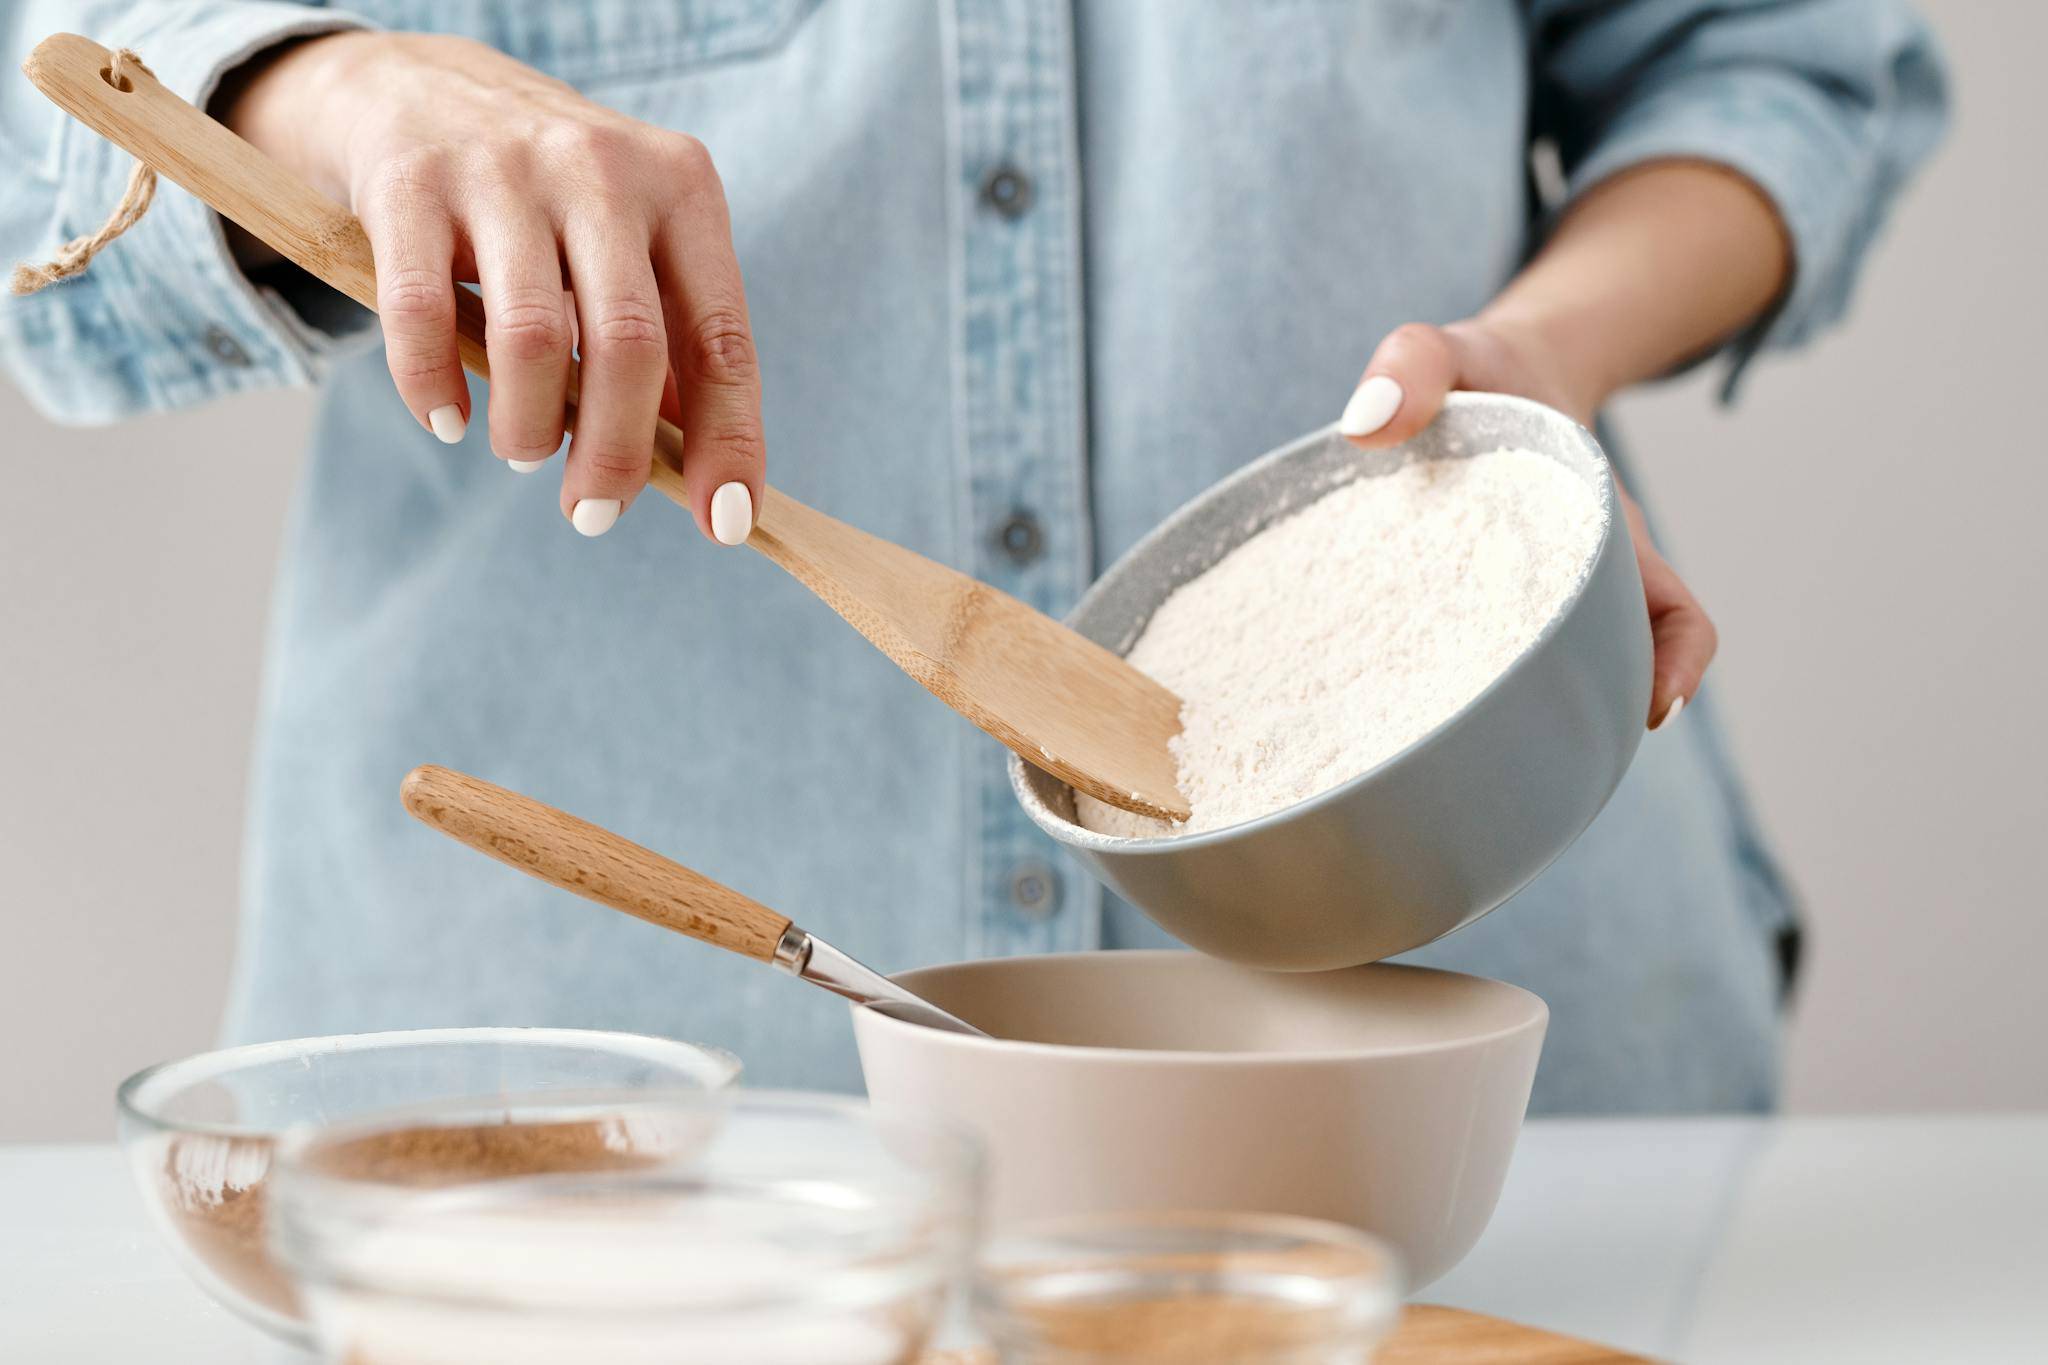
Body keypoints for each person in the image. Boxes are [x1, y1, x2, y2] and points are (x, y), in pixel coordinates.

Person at [0, 1, 1944, 1112]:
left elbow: (1779, 63)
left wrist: (1545, 358)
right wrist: (316, 84)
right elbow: (52, 127)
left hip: (1472, 1090)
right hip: (604, 1111)